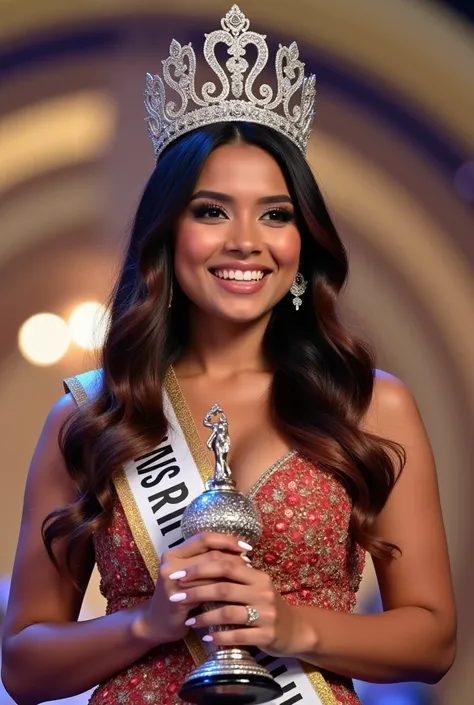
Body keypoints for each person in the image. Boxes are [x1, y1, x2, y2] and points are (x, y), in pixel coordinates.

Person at [1, 6, 456, 705]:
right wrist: (145, 623)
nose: (246, 240)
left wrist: (292, 625)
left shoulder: (369, 404)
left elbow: (432, 638)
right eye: (212, 210)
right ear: (167, 234)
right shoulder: (93, 411)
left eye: (275, 213)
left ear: (303, 238)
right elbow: (23, 664)